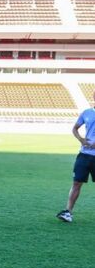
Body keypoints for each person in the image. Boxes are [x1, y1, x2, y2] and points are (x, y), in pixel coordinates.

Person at [57, 91, 95, 223]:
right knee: (77, 182)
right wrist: (81, 140)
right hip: (84, 155)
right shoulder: (87, 113)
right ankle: (68, 212)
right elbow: (75, 128)